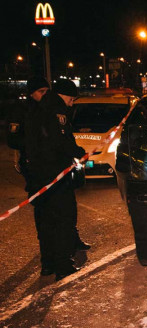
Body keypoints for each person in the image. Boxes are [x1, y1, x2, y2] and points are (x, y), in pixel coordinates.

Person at [25, 79, 89, 281]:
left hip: (38, 177)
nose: (73, 102)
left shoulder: (38, 108)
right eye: (72, 98)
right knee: (64, 220)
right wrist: (80, 153)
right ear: (64, 95)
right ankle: (63, 265)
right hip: (56, 178)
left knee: (45, 222)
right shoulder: (57, 111)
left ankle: (48, 264)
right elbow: (60, 142)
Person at [6, 77, 50, 182]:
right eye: (41, 91)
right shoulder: (20, 112)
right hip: (31, 161)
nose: (45, 94)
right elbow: (13, 140)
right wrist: (34, 144)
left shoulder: (48, 109)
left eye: (47, 91)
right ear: (31, 93)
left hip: (49, 161)